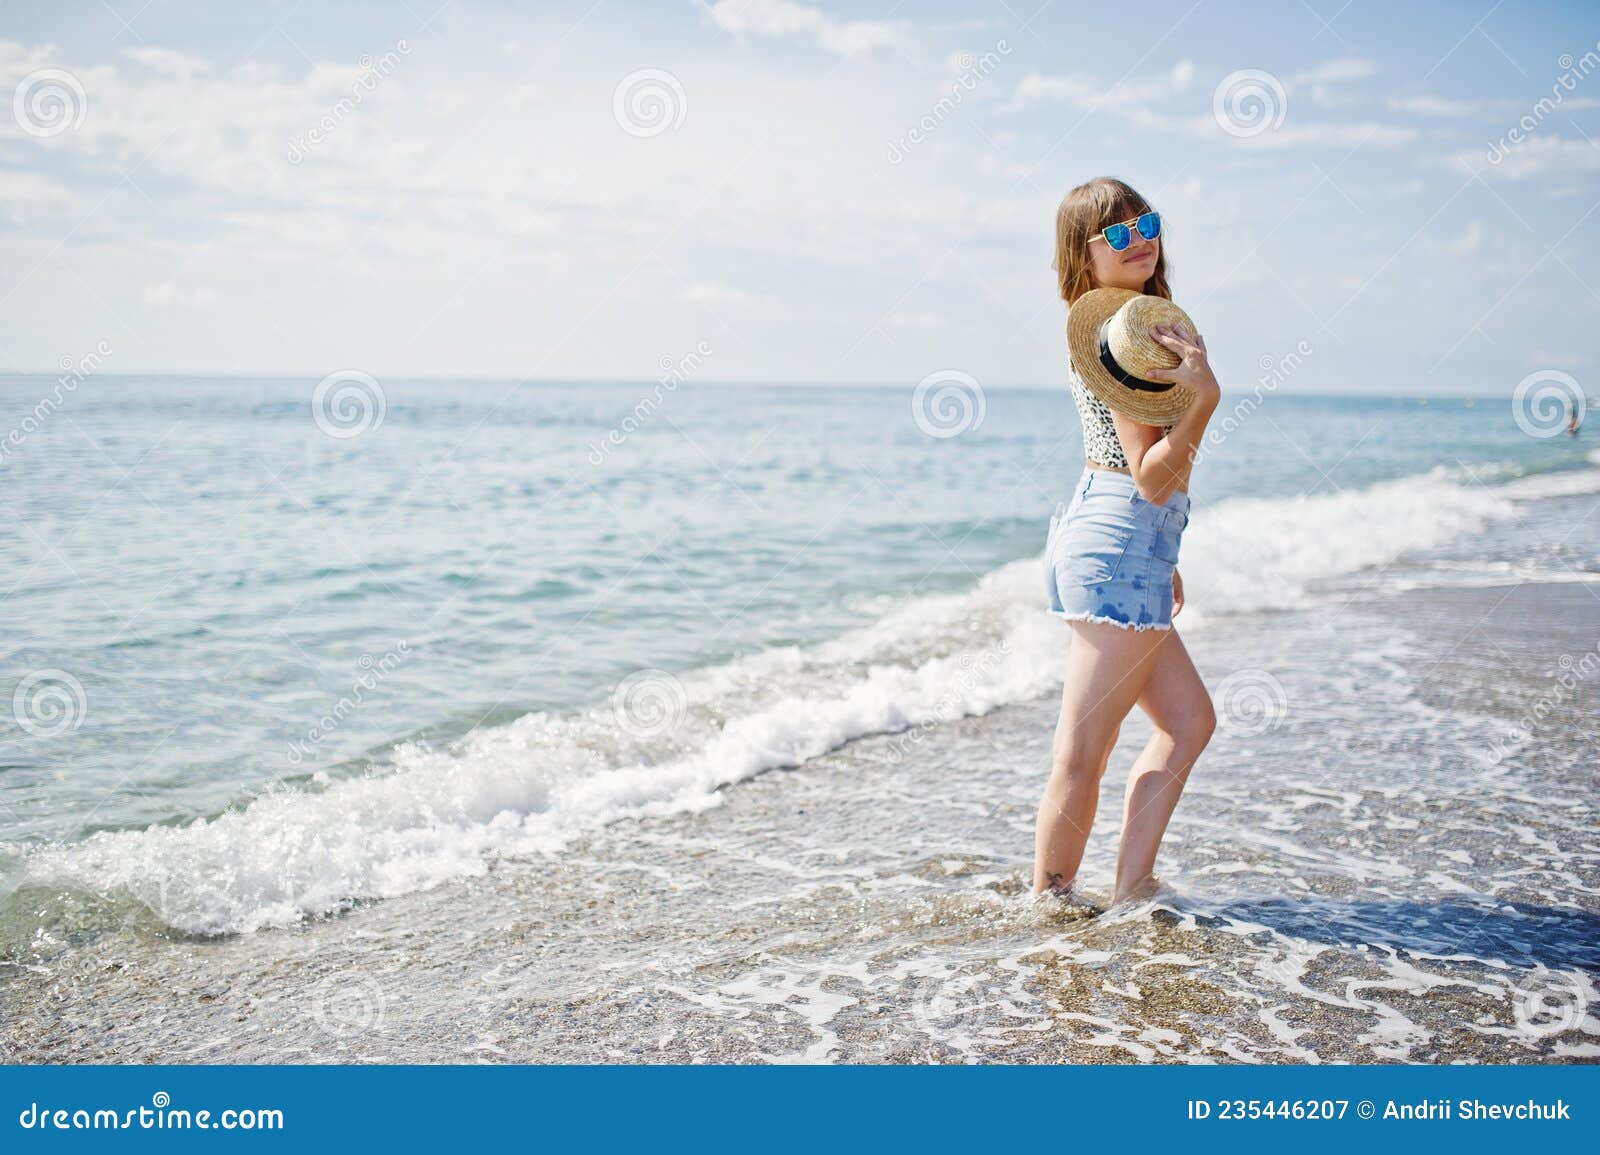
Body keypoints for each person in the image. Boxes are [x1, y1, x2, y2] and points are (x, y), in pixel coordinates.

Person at [1033, 177, 1222, 906]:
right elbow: (1147, 474)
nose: (1137, 237)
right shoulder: (1118, 335)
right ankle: (1051, 906)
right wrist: (1203, 401)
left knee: (1188, 720)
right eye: (1115, 233)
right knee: (1083, 752)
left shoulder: (1136, 324)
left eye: (1144, 222)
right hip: (1116, 540)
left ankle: (1131, 892)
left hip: (1125, 542)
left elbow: (1149, 481)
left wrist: (1164, 554)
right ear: (1082, 259)